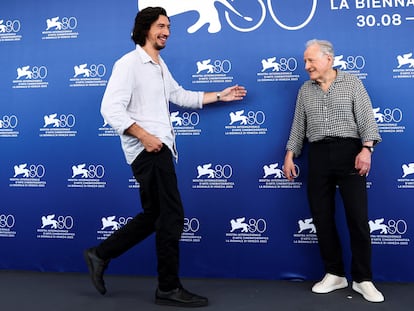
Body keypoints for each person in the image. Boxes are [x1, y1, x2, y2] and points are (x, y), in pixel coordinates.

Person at [83, 7, 247, 308]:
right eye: (161, 26)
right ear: (145, 28)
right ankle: (168, 288)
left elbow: (180, 95)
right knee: (171, 217)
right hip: (149, 150)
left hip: (159, 149)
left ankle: (101, 254)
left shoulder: (158, 65)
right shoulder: (129, 63)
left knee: (155, 216)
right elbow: (110, 109)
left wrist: (221, 95)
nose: (167, 32)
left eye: (169, 27)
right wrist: (145, 136)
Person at [283, 39, 384, 303]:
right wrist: (290, 155)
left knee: (358, 219)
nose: (306, 66)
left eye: (310, 60)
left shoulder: (352, 83)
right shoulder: (305, 90)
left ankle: (363, 279)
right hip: (317, 155)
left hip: (350, 153)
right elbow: (298, 127)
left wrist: (366, 150)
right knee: (321, 217)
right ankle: (335, 274)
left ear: (329, 59)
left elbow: (367, 120)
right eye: (305, 61)